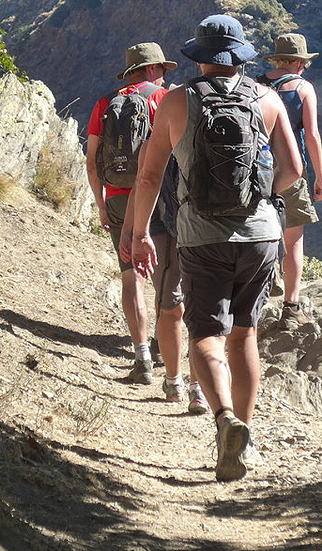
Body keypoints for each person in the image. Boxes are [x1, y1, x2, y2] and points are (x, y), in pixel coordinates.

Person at [130, 15, 302, 481]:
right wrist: (261, 199)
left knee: (204, 334)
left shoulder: (174, 101)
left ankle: (223, 417)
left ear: (199, 57)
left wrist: (140, 233)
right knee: (244, 333)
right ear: (240, 55)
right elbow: (293, 171)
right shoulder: (268, 100)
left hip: (200, 235)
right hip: (262, 235)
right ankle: (244, 434)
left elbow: (148, 177)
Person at [86, 42, 176, 385]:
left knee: (130, 277)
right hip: (158, 200)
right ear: (153, 69)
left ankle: (141, 358)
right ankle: (161, 346)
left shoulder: (105, 102)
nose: (165, 77)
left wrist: (100, 203)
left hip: (118, 199)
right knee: (162, 277)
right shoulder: (163, 100)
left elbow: (92, 162)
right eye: (163, 71)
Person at [120, 154, 210, 413]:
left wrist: (132, 231)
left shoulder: (162, 128)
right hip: (203, 228)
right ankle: (195, 387)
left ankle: (176, 383)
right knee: (195, 310)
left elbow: (143, 181)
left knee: (171, 307)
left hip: (162, 228)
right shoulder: (213, 123)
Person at [257, 33, 322, 329]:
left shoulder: (256, 85)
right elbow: (311, 134)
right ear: (299, 61)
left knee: (260, 235)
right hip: (290, 171)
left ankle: (256, 299)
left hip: (256, 170)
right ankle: (291, 306)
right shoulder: (302, 88)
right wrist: (320, 177)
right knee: (293, 240)